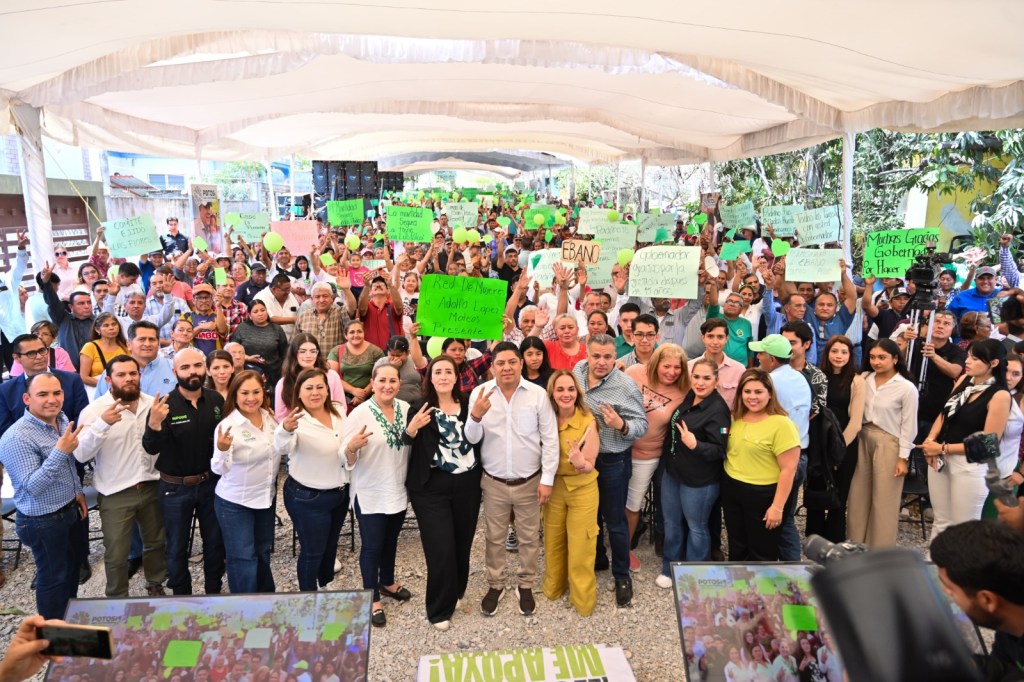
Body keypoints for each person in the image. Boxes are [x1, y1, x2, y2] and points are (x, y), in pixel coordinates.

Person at [466, 342, 559, 617]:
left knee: (529, 537)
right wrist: (475, 416)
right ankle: (496, 584)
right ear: (492, 366)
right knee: (494, 537)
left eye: (511, 362)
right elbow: (472, 438)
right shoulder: (480, 394)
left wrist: (547, 479)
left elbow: (550, 438)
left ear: (521, 363)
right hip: (494, 481)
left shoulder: (537, 395)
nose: (506, 367)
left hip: (529, 480)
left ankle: (525, 583)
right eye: (500, 363)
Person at [75, 354, 166, 597]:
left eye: (133, 373)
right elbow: (81, 455)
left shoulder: (152, 404)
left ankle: (155, 583)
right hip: (115, 492)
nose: (128, 379)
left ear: (140, 375)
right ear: (108, 380)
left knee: (156, 542)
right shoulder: (94, 411)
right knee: (116, 552)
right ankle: (116, 598)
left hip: (151, 485)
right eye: (121, 374)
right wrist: (102, 425)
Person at [0, 373, 87, 619]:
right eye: (43, 394)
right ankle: (53, 632)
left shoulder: (61, 418)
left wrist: (77, 491)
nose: (52, 399)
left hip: (69, 508)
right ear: (27, 399)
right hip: (42, 520)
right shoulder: (16, 437)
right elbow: (32, 487)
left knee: (72, 569)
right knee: (53, 578)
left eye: (57, 393)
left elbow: (68, 466)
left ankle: (69, 619)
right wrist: (60, 451)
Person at [405, 355, 481, 630]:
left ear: (457, 376)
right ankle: (438, 610)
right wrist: (411, 430)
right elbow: (406, 439)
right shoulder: (420, 406)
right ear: (430, 377)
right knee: (440, 547)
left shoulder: (470, 404)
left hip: (467, 485)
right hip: (430, 488)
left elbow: (480, 437)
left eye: (449, 371)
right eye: (438, 372)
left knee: (462, 543)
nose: (443, 376)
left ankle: (456, 591)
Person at [142, 348, 227, 595]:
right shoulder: (164, 405)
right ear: (174, 372)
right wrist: (154, 424)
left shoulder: (216, 400)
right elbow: (151, 448)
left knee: (215, 542)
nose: (192, 372)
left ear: (205, 368)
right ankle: (182, 597)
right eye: (185, 367)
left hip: (210, 484)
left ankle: (214, 592)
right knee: (176, 547)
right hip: (175, 489)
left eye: (197, 366)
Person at [573, 334, 647, 607]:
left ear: (615, 357)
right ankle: (598, 559)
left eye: (607, 357)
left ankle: (621, 575)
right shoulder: (577, 372)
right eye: (596, 356)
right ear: (587, 355)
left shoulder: (625, 386)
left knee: (615, 520)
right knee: (589, 515)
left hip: (612, 460)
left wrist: (621, 425)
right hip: (583, 459)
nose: (601, 362)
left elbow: (642, 425)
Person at [341, 364, 415, 628]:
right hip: (370, 490)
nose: (387, 385)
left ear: (399, 383)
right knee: (372, 546)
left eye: (393, 380)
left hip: (397, 486)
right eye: (382, 380)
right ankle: (371, 596)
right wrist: (351, 448)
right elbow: (344, 453)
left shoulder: (405, 409)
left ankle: (388, 581)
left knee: (391, 540)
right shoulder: (359, 413)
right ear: (372, 382)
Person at [918, 339, 1011, 538]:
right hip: (941, 457)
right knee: (941, 520)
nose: (967, 361)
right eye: (968, 356)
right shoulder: (964, 380)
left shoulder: (999, 395)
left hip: (969, 465)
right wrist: (930, 440)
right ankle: (934, 558)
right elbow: (945, 413)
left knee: (964, 528)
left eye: (975, 358)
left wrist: (943, 448)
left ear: (993, 363)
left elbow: (989, 443)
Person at [276, 368, 349, 592]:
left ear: (327, 390)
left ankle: (324, 586)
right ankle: (308, 597)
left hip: (339, 493)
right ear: (299, 392)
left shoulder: (339, 411)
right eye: (309, 388)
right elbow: (282, 447)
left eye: (319, 387)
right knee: (313, 551)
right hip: (308, 497)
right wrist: (285, 430)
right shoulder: (295, 420)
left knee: (330, 547)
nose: (315, 392)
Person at [659, 357, 731, 584]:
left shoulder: (718, 410)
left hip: (699, 480)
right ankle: (670, 568)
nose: (700, 382)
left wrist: (696, 445)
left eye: (706, 378)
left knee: (696, 527)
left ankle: (694, 576)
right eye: (696, 377)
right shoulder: (690, 397)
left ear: (716, 381)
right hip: (673, 473)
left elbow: (720, 450)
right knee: (671, 523)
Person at [721, 368, 801, 561]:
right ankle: (739, 579)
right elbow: (723, 438)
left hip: (763, 494)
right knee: (737, 546)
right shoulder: (735, 419)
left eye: (758, 392)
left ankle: (762, 582)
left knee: (762, 551)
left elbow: (789, 469)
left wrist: (777, 507)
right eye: (747, 391)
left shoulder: (782, 425)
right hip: (733, 489)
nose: (752, 397)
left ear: (770, 394)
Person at [212, 371, 281, 594]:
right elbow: (219, 469)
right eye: (244, 393)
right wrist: (222, 449)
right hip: (235, 503)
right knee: (243, 558)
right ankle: (245, 608)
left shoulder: (270, 419)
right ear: (235, 395)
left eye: (256, 392)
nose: (251, 398)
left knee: (262, 552)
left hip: (265, 499)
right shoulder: (228, 426)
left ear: (263, 393)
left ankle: (266, 600)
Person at [623, 343, 689, 572]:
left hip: (648, 455)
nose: (672, 372)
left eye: (677, 367)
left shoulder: (683, 391)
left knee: (633, 503)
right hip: (620, 448)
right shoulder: (634, 373)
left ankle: (625, 549)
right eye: (666, 366)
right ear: (655, 363)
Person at [931, 520, 1024, 680]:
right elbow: (1005, 668)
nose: (946, 592)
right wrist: (969, 664)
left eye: (951, 589)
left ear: (987, 600)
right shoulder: (1010, 625)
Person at [847, 338, 919, 547]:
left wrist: (903, 457)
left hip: (890, 442)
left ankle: (879, 551)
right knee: (858, 495)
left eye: (882, 357)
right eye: (872, 357)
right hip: (862, 437)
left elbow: (909, 425)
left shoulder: (906, 388)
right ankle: (854, 546)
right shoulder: (864, 378)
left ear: (895, 359)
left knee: (884, 499)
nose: (876, 362)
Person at [748, 333, 810, 562]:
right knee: (785, 516)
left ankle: (791, 568)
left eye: (761, 354)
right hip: (800, 453)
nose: (758, 357)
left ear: (772, 359)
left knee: (777, 516)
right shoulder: (799, 377)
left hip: (780, 459)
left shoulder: (770, 383)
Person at [542, 370, 600, 616]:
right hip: (554, 487)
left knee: (581, 546)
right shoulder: (545, 418)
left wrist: (580, 462)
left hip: (582, 489)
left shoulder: (588, 421)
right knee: (553, 540)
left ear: (577, 392)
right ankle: (553, 588)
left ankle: (583, 600)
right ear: (552, 393)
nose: (566, 394)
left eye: (570, 389)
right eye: (560, 389)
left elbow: (590, 465)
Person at [806, 335, 865, 542]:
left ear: (850, 355)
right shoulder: (817, 377)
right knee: (815, 491)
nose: (839, 356)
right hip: (817, 443)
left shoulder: (857, 381)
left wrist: (836, 452)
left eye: (844, 352)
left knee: (838, 495)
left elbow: (856, 423)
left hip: (844, 446)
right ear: (827, 353)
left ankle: (834, 539)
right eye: (834, 351)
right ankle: (813, 538)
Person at [275, 334, 346, 420]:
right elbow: (281, 417)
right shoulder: (283, 383)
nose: (308, 355)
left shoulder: (332, 376)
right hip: (297, 426)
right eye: (302, 351)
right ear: (294, 353)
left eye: (313, 351)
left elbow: (341, 408)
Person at [230, 300, 289, 392]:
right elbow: (232, 351)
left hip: (274, 373)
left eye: (262, 310)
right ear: (249, 315)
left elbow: (285, 353)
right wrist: (248, 358)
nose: (260, 314)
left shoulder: (277, 329)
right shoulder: (242, 328)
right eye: (255, 311)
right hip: (249, 373)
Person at [689, 318, 745, 409]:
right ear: (703, 338)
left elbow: (741, 403)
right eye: (710, 336)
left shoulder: (739, 370)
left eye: (720, 337)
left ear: (727, 338)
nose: (715, 342)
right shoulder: (689, 366)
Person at [328, 321, 384, 410]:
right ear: (345, 335)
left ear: (364, 333)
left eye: (359, 331)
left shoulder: (376, 351)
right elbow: (332, 377)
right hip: (343, 398)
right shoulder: (336, 351)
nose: (356, 335)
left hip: (371, 399)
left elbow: (382, 376)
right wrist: (353, 391)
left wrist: (363, 394)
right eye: (352, 332)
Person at [294, 281, 357, 354]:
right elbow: (295, 343)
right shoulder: (303, 316)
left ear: (332, 298)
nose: (321, 300)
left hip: (335, 360)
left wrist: (346, 289)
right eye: (317, 297)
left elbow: (352, 308)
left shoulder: (340, 313)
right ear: (312, 299)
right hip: (310, 360)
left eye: (325, 296)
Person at [78, 312, 129, 390]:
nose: (111, 328)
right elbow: (84, 377)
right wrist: (109, 385)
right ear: (97, 329)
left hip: (124, 389)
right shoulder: (90, 347)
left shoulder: (126, 346)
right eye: (106, 325)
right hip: (99, 390)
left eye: (114, 324)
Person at [10, 320, 74, 375]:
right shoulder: (22, 353)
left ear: (54, 338)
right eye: (36, 333)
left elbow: (68, 377)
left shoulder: (60, 353)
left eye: (45, 334)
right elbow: (16, 378)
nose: (40, 336)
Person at [357, 275, 404, 350]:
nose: (378, 285)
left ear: (388, 291)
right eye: (374, 284)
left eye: (382, 284)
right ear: (370, 291)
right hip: (370, 353)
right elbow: (361, 308)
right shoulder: (367, 306)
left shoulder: (392, 306)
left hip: (392, 353)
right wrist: (366, 286)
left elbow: (399, 307)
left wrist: (391, 285)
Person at [183, 283, 229, 356]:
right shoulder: (186, 316)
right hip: (193, 357)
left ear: (212, 299)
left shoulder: (218, 315)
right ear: (193, 300)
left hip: (216, 357)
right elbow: (184, 337)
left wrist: (219, 306)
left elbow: (223, 332)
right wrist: (200, 327)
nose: (204, 301)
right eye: (200, 298)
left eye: (207, 297)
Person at [375, 335, 420, 403]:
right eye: (392, 355)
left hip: (414, 402)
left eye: (399, 355)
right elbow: (376, 384)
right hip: (389, 402)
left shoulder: (415, 361)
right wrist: (392, 367)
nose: (395, 358)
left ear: (407, 353)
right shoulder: (381, 363)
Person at [254, 274, 299, 339]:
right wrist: (293, 319)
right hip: (270, 340)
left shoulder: (290, 295)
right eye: (285, 290)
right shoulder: (261, 297)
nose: (288, 292)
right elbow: (268, 319)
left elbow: (298, 312)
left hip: (292, 339)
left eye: (289, 289)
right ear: (274, 289)